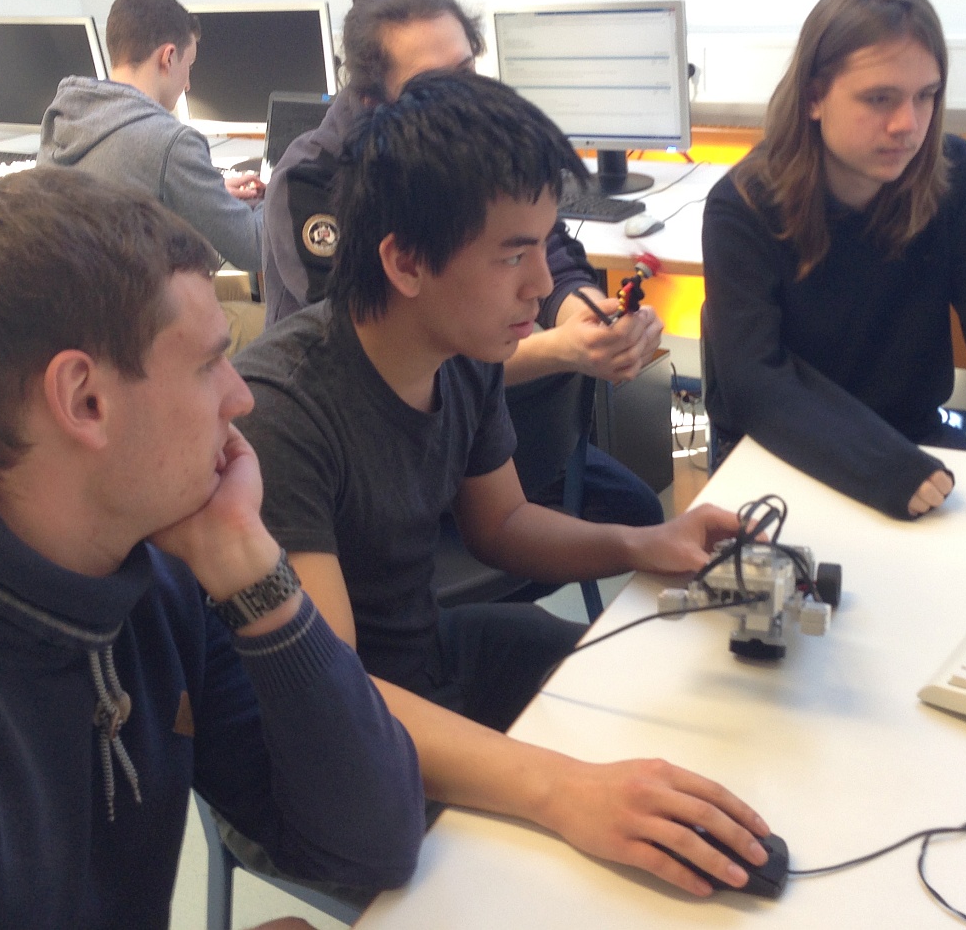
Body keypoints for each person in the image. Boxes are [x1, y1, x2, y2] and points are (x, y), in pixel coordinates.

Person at [0, 168, 424, 928]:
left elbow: (376, 842)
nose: (241, 396)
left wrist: (250, 561)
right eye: (208, 364)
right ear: (84, 400)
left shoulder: (153, 575)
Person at [236, 70, 775, 897]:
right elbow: (332, 694)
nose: (542, 285)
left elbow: (503, 524)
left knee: (665, 708)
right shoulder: (283, 413)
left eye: (544, 245)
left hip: (422, 659)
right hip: (321, 756)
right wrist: (562, 788)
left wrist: (647, 540)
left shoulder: (462, 346)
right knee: (565, 869)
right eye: (513, 254)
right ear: (405, 261)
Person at [263, 0, 664, 527]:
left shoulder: (473, 149)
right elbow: (379, 355)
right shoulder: (314, 183)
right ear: (372, 100)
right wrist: (563, 349)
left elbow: (544, 245)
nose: (465, 99)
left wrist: (589, 317)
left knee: (636, 511)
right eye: (435, 83)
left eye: (467, 72)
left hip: (469, 418)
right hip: (371, 448)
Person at [702, 0, 966, 522]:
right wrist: (885, 469)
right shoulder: (743, 205)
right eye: (880, 98)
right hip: (776, 446)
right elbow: (755, 386)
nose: (908, 124)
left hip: (912, 440)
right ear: (813, 98)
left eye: (926, 96)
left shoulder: (955, 178)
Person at [39, 0, 265, 274]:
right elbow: (257, 249)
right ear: (168, 57)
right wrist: (276, 194)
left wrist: (209, 194)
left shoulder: (63, 117)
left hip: (77, 297)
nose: (188, 85)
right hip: (138, 301)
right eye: (189, 65)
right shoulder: (170, 143)